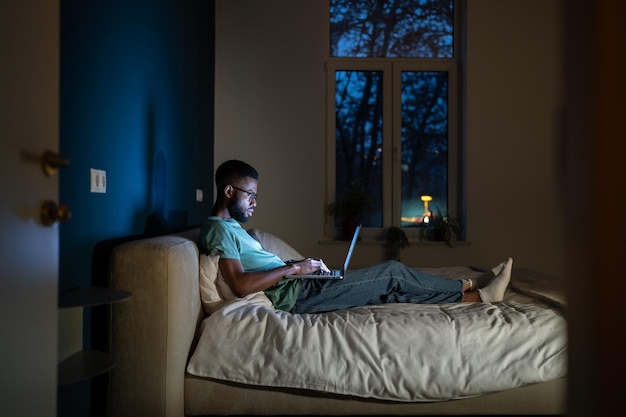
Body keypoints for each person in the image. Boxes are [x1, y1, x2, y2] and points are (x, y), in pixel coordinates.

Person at [199, 159, 512, 313]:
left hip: (302, 286)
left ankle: (477, 297)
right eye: (250, 195)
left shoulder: (233, 229)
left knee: (387, 293)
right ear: (229, 191)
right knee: (392, 271)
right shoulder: (218, 229)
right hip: (299, 297)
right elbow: (240, 285)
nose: (255, 202)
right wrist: (294, 269)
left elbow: (256, 269)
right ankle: (468, 284)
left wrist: (301, 265)